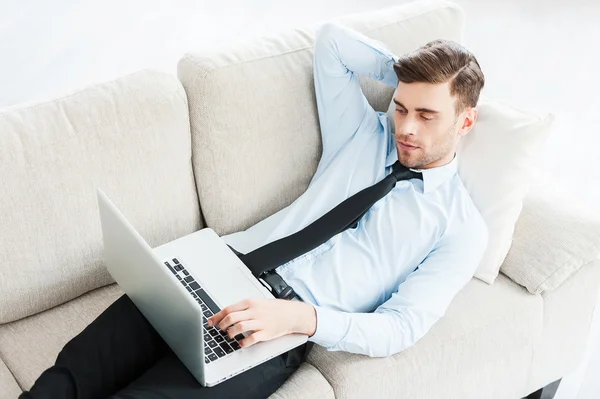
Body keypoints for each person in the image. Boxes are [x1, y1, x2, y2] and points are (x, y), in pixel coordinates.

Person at [21, 20, 488, 399]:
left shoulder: (460, 230)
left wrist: (301, 319)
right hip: (213, 266)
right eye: (401, 107)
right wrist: (406, 74)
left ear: (466, 120)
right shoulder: (363, 136)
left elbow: (402, 326)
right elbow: (333, 43)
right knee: (67, 380)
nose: (405, 126)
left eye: (427, 116)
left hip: (276, 328)